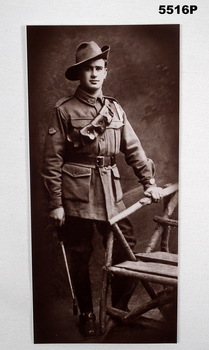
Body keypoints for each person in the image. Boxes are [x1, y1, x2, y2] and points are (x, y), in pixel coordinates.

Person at [42, 41, 163, 337]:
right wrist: (56, 204)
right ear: (79, 74)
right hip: (76, 194)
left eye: (99, 69)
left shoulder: (115, 110)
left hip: (110, 193)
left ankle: (117, 310)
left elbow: (133, 148)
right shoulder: (64, 110)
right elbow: (52, 160)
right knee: (80, 254)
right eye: (88, 69)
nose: (94, 74)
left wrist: (149, 182)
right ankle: (85, 313)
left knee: (126, 251)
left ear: (106, 72)